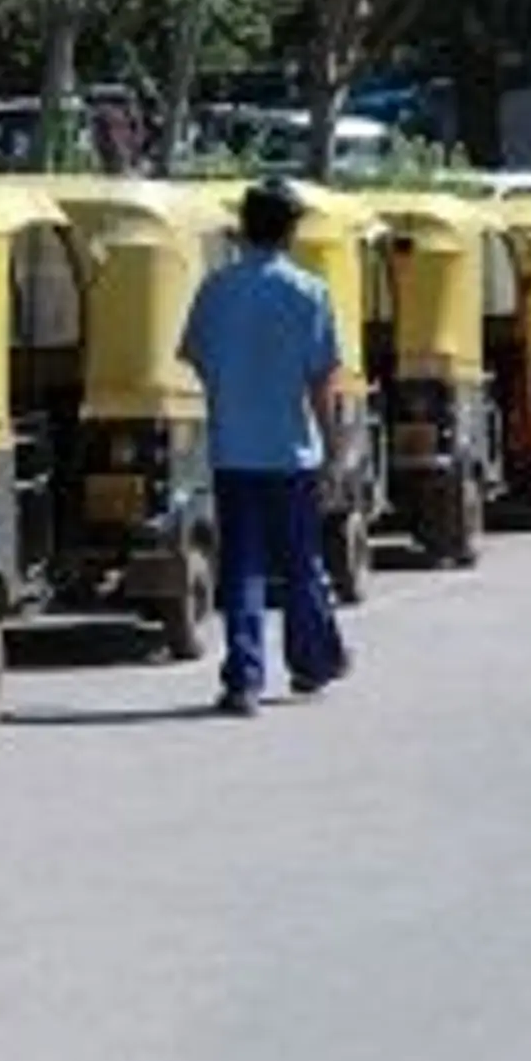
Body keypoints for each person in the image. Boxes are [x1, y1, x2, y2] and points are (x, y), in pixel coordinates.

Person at [177, 179, 350, 715]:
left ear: (245, 228)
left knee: (243, 568)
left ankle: (243, 681)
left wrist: (233, 397)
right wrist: (333, 445)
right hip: (291, 451)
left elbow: (199, 359)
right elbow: (322, 380)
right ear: (290, 231)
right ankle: (312, 661)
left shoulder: (215, 289)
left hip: (234, 452)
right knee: (300, 564)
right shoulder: (309, 293)